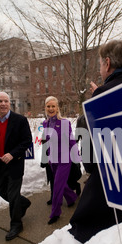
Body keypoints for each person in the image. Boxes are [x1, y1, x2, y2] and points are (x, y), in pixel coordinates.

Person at [69, 40, 122, 243]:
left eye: (100, 64)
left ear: (107, 63)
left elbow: (91, 161)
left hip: (113, 184)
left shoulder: (102, 95)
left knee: (83, 233)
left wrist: (95, 102)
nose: (100, 69)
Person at [0, 91, 32, 240]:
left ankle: (16, 224)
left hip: (15, 163)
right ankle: (23, 203)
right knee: (2, 191)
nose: (3, 104)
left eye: (6, 101)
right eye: (0, 101)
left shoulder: (20, 120)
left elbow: (27, 140)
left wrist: (13, 154)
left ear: (10, 103)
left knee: (13, 194)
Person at [42, 96, 80, 224]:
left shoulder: (64, 122)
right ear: (45, 108)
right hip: (53, 159)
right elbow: (47, 141)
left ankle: (55, 213)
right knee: (61, 184)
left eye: (53, 106)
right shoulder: (45, 123)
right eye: (48, 106)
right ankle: (71, 197)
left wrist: (76, 155)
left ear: (57, 108)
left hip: (64, 159)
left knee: (57, 186)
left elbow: (71, 140)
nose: (51, 108)